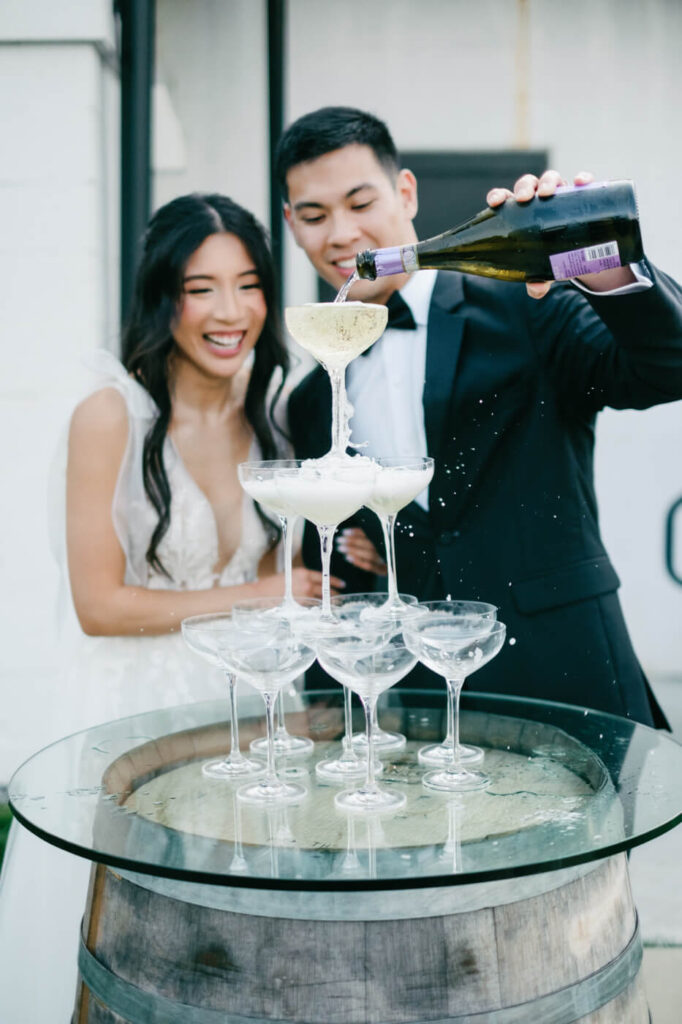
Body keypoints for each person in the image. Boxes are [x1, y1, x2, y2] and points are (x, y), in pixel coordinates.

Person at [0, 192, 337, 1021]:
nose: (232, 312)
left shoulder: (270, 414)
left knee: (242, 950)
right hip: (130, 708)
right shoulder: (109, 414)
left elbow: (281, 576)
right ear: (164, 297)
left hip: (246, 706)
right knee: (127, 939)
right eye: (202, 288)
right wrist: (266, 591)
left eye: (250, 283)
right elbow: (99, 606)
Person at [277, 105, 682, 728]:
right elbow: (339, 573)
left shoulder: (524, 305)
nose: (340, 234)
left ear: (405, 192)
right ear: (291, 225)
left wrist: (605, 266)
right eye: (314, 216)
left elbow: (668, 366)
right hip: (414, 709)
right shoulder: (313, 399)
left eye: (360, 204)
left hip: (562, 671)